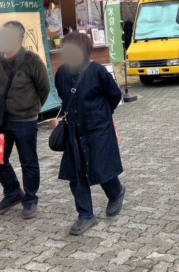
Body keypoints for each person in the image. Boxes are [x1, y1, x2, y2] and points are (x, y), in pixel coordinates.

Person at [53, 32, 125, 235]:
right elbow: (63, 96)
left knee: (101, 168)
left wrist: (101, 115)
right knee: (76, 173)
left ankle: (116, 192)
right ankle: (85, 215)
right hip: (73, 131)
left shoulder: (97, 71)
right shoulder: (62, 73)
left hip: (98, 130)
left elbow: (114, 95)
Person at [0, 21, 50, 219]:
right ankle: (13, 192)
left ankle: (30, 199)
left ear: (19, 40)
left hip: (25, 120)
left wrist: (32, 109)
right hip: (0, 120)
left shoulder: (32, 61)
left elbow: (44, 88)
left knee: (28, 162)